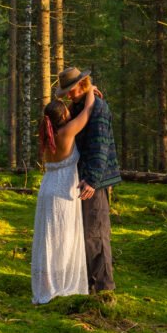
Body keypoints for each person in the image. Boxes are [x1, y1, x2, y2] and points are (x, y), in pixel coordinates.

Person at [54, 66, 121, 295]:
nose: (69, 95)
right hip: (81, 180)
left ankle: (105, 289)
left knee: (97, 234)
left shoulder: (98, 109)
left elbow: (100, 146)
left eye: (71, 90)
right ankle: (89, 286)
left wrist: (92, 179)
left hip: (94, 182)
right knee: (84, 234)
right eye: (67, 92)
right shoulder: (80, 106)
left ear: (82, 86)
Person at [30, 89, 97, 305]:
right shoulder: (67, 132)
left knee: (48, 239)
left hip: (47, 188)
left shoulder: (47, 136)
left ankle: (47, 285)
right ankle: (62, 284)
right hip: (62, 192)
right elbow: (87, 111)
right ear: (64, 116)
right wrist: (90, 90)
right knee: (63, 239)